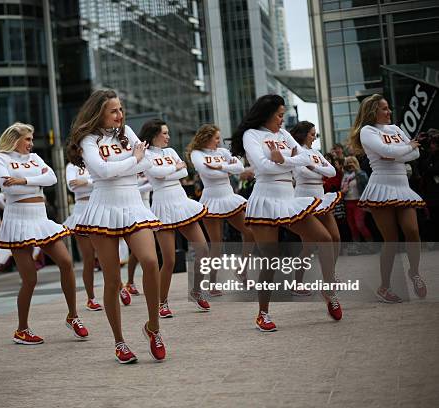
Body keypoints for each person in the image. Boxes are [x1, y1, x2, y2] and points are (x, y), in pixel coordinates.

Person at [67, 89, 165, 363]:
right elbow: (102, 171)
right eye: (114, 111)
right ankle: (119, 342)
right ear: (99, 112)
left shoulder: (128, 131)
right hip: (103, 209)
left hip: (133, 205)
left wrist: (125, 162)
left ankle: (153, 328)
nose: (120, 115)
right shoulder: (88, 139)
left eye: (121, 109)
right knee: (112, 280)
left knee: (149, 260)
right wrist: (131, 159)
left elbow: (148, 162)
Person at [231, 94, 342, 332]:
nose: (283, 119)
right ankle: (263, 313)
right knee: (270, 259)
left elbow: (304, 156)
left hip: (289, 198)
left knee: (324, 238)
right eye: (280, 115)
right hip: (265, 199)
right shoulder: (252, 135)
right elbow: (261, 167)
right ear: (268, 113)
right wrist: (286, 160)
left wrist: (282, 160)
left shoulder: (283, 135)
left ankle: (328, 289)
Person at [0, 122, 89, 346]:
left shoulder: (34, 158)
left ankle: (73, 316)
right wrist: (34, 182)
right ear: (15, 139)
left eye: (32, 140)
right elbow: (9, 189)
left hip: (40, 219)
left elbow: (52, 179)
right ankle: (22, 329)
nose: (31, 144)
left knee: (66, 262)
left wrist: (24, 180)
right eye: (27, 140)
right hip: (17, 222)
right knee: (30, 279)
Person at [347, 94, 426, 302]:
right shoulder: (367, 131)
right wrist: (405, 148)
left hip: (402, 185)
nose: (389, 112)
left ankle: (414, 272)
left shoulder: (395, 129)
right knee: (390, 240)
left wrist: (395, 152)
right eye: (384, 109)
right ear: (373, 111)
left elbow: (414, 155)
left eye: (388, 108)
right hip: (381, 187)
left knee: (413, 230)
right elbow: (387, 150)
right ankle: (384, 287)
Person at [140, 118, 210, 316]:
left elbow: (184, 172)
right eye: (164, 133)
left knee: (203, 249)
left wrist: (175, 170)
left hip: (181, 202)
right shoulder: (144, 154)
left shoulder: (170, 152)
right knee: (169, 260)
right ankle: (162, 302)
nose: (168, 136)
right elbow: (157, 175)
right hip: (162, 204)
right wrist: (175, 169)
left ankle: (197, 291)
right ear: (154, 135)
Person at [188, 124, 255, 294]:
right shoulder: (197, 154)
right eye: (216, 138)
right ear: (207, 137)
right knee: (216, 244)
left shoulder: (222, 152)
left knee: (250, 233)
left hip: (229, 197)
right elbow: (207, 173)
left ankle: (242, 270)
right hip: (211, 200)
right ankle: (212, 283)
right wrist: (227, 170)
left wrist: (222, 167)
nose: (219, 141)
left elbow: (240, 168)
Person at [291, 121, 342, 294]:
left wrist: (314, 167)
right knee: (309, 246)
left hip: (321, 198)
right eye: (312, 134)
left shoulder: (315, 153)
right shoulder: (296, 151)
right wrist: (320, 171)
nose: (314, 137)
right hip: (304, 199)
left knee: (335, 237)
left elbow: (333, 172)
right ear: (303, 134)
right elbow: (301, 173)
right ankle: (297, 283)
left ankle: (330, 275)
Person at [64, 161, 103, 311]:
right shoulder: (71, 166)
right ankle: (91, 298)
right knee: (89, 258)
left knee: (106, 255)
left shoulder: (95, 160)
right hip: (80, 212)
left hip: (99, 208)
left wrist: (85, 182)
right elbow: (71, 185)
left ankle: (119, 287)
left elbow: (104, 180)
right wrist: (92, 183)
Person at [340, 156, 373, 253]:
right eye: (347, 163)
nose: (349, 164)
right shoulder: (345, 176)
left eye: (351, 162)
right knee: (352, 226)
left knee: (360, 225)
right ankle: (356, 247)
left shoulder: (361, 174)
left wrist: (356, 171)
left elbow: (367, 186)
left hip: (358, 202)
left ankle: (371, 245)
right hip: (347, 202)